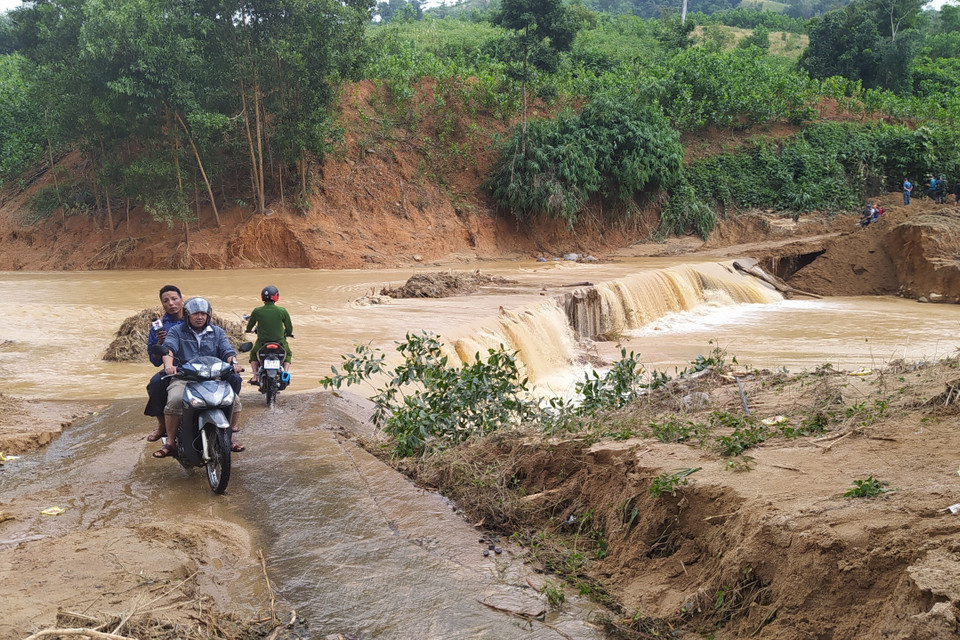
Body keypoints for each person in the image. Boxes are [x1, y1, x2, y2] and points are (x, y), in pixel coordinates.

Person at [154, 297, 245, 458]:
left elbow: (227, 351)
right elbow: (168, 349)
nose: (199, 317)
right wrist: (169, 365)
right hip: (184, 378)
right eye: (195, 314)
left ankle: (228, 438)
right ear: (188, 315)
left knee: (234, 400)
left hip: (212, 378)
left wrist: (234, 363)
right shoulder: (176, 331)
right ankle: (170, 442)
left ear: (208, 315)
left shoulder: (217, 332)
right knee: (175, 400)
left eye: (203, 314)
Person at [144, 285, 185, 442]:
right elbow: (154, 361)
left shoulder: (194, 320)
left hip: (197, 367)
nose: (171, 303)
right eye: (166, 301)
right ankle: (162, 426)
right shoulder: (158, 327)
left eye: (174, 299)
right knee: (154, 384)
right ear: (162, 304)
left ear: (182, 300)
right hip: (171, 370)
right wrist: (160, 344)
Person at [245, 285, 293, 385]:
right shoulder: (282, 311)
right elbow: (289, 327)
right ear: (276, 297)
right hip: (280, 342)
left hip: (262, 343)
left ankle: (255, 377)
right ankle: (285, 373)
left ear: (262, 297)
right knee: (288, 353)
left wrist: (248, 330)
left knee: (254, 354)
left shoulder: (257, 311)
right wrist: (288, 334)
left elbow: (250, 326)